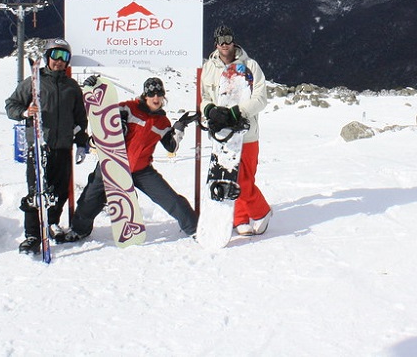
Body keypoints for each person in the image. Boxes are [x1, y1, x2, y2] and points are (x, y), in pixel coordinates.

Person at [56, 77, 198, 242]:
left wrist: (180, 126)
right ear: (145, 95)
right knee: (90, 199)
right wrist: (95, 88)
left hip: (141, 170)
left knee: (171, 199)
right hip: (112, 164)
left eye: (159, 94)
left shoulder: (162, 122)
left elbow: (171, 146)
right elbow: (102, 116)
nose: (156, 98)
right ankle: (79, 230)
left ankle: (194, 228)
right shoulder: (128, 108)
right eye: (151, 94)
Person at [5, 38, 90, 255]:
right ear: (47, 57)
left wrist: (81, 142)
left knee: (59, 191)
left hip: (63, 147)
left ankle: (52, 222)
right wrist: (25, 112)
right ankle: (33, 234)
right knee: (36, 192)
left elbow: (80, 118)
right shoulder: (34, 82)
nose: (59, 61)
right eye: (55, 55)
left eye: (64, 57)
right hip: (40, 146)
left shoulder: (72, 87)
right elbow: (11, 105)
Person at [200, 24, 272, 236]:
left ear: (234, 41)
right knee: (229, 177)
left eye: (228, 39)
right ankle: (241, 218)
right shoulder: (209, 68)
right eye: (220, 40)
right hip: (222, 134)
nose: (225, 44)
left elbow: (260, 98)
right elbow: (204, 97)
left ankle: (260, 211)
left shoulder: (250, 66)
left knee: (245, 178)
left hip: (246, 133)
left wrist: (237, 112)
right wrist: (210, 110)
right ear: (215, 43)